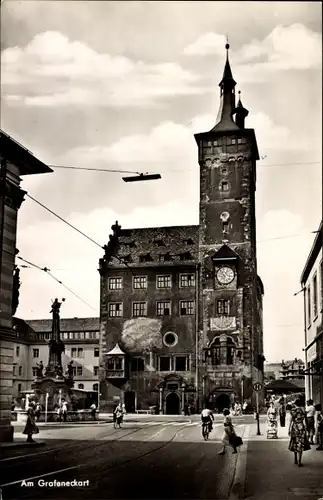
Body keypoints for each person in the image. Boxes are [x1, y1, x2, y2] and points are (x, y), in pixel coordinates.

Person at [288, 398, 309, 467]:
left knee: (294, 442)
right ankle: (300, 461)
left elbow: (290, 421)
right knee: (300, 443)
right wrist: (307, 429)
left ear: (295, 404)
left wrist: (288, 429)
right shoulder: (303, 411)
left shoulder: (293, 411)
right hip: (301, 428)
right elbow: (305, 421)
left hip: (294, 428)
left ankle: (295, 459)